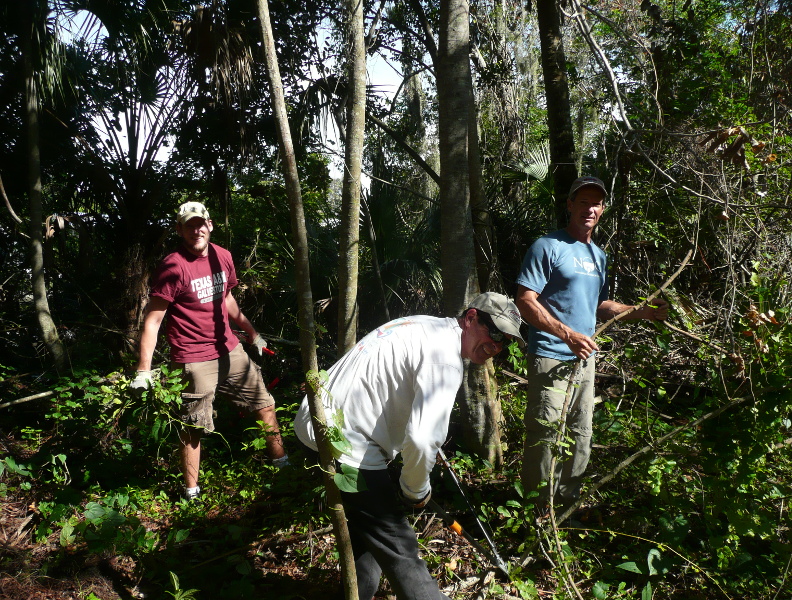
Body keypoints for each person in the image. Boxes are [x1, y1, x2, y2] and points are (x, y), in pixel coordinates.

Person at [294, 292, 524, 600]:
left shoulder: (425, 326)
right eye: (494, 333)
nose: (496, 346)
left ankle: (357, 591)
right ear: (471, 318)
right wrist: (415, 491)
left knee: (370, 532)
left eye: (505, 342)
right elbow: (423, 438)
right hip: (343, 441)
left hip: (316, 421)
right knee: (399, 546)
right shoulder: (445, 360)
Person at [515, 176, 668, 515]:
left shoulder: (598, 256)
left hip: (585, 360)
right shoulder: (548, 246)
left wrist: (641, 312)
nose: (589, 208)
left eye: (595, 203)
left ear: (602, 210)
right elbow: (526, 300)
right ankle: (535, 514)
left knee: (580, 433)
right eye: (582, 201)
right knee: (544, 436)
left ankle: (566, 511)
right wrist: (565, 334)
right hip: (550, 356)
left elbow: (601, 305)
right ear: (570, 205)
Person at [130, 201, 288, 501]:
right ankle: (191, 493)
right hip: (193, 357)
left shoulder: (222, 256)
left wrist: (252, 334)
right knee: (193, 427)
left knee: (265, 406)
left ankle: (283, 468)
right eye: (188, 225)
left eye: (200, 223)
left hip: (230, 350)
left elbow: (226, 299)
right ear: (180, 230)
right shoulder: (173, 266)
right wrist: (143, 370)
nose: (196, 230)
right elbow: (153, 320)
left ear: (210, 225)